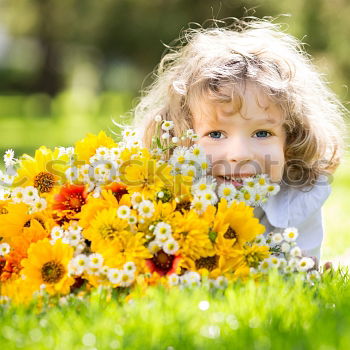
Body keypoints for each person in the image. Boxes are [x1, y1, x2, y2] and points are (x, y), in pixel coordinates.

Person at [132, 18, 346, 261]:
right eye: (215, 134)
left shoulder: (299, 199)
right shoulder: (165, 199)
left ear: (291, 139)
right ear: (183, 141)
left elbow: (298, 275)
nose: (240, 154)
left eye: (262, 133)